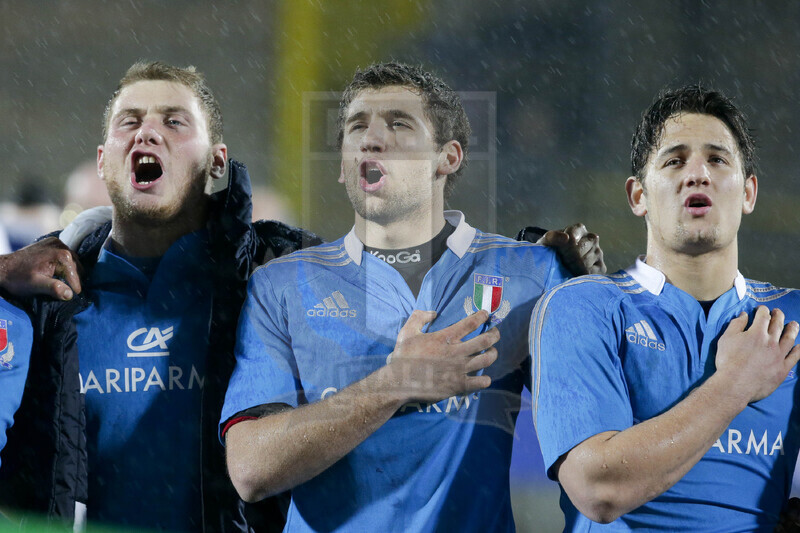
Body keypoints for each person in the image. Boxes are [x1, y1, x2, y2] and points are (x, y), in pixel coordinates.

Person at [221, 62, 603, 532]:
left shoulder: (530, 273)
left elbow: (599, 451)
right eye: (356, 126)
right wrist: (396, 383)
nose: (371, 138)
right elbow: (250, 470)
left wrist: (596, 303)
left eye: (399, 124)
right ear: (343, 167)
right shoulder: (280, 286)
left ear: (449, 158)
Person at [0, 61, 319, 532]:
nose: (146, 132)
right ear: (104, 159)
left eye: (174, 121)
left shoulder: (278, 276)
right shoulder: (38, 294)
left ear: (216, 161)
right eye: (129, 121)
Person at [530, 85, 800, 531]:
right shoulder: (584, 307)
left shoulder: (792, 317)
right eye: (674, 160)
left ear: (749, 192)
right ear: (639, 196)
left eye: (717, 159)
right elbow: (600, 490)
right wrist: (735, 383)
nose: (697, 174)